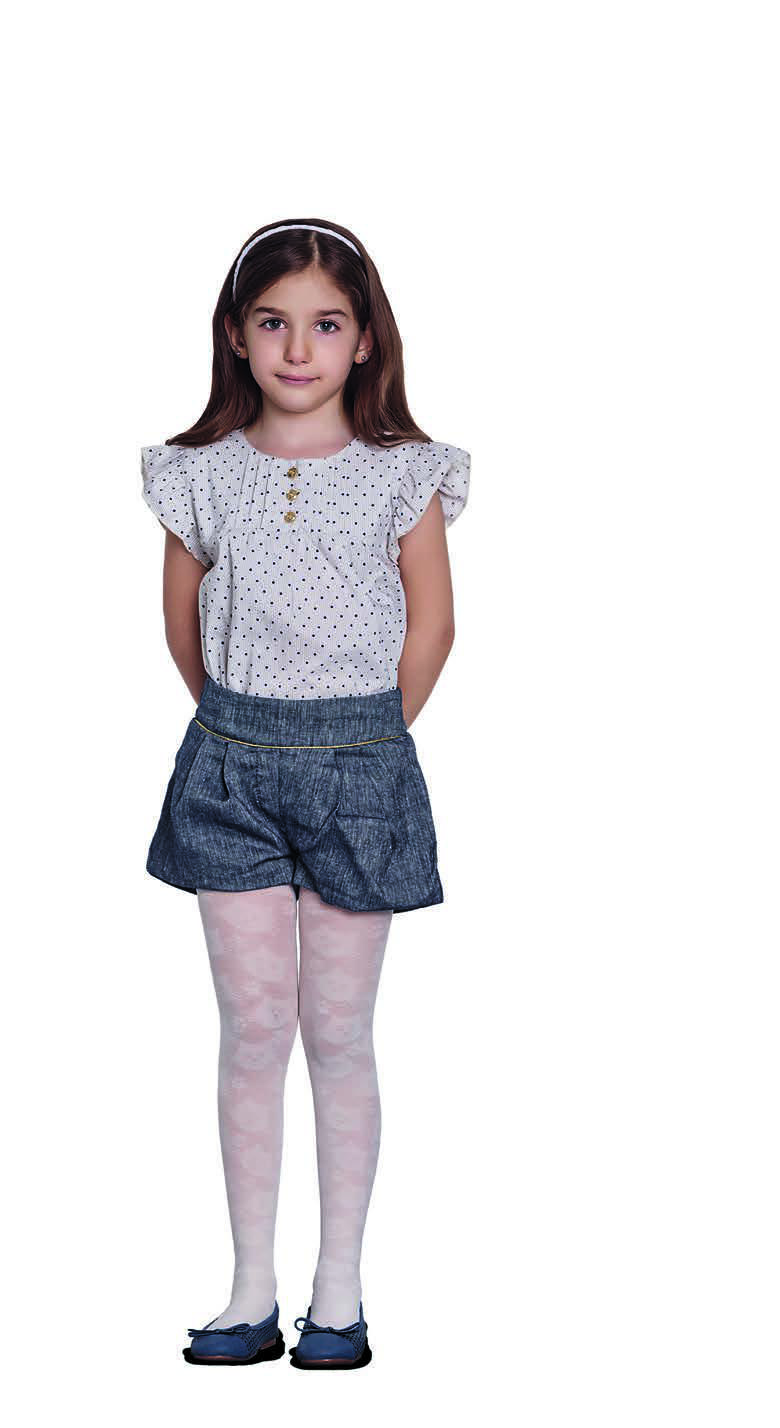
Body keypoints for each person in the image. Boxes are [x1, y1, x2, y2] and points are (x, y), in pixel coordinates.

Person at [140, 219, 470, 1368]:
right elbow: (183, 624)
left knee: (336, 1030)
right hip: (229, 771)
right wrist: (245, 725)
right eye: (272, 323)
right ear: (235, 336)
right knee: (251, 1029)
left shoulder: (401, 473)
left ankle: (339, 1295)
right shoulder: (199, 474)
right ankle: (248, 1290)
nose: (297, 348)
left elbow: (432, 626)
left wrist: (364, 740)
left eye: (325, 324)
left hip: (359, 770)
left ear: (364, 340)